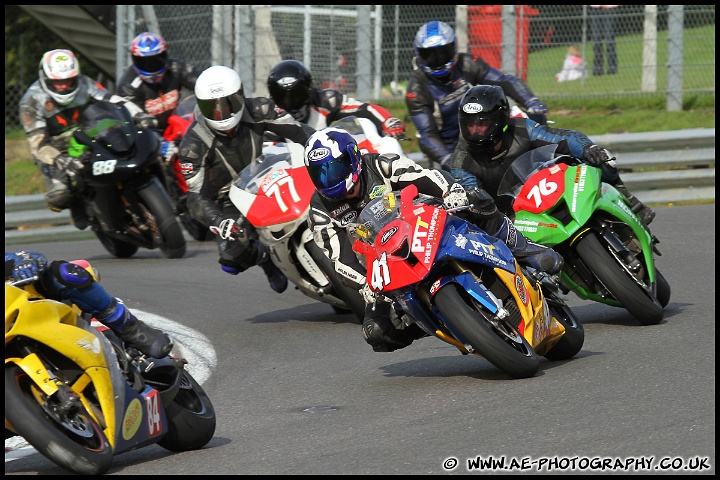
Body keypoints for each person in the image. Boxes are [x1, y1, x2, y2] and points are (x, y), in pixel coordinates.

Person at [303, 126, 563, 353]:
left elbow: (421, 175)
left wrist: (450, 192)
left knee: (476, 202)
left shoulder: (380, 165)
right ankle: (440, 322)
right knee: (376, 332)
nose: (329, 180)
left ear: (353, 158)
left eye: (335, 169)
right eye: (320, 174)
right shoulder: (319, 210)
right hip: (385, 262)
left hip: (424, 222)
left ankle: (525, 249)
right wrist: (366, 285)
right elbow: (339, 258)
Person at [178, 65, 314, 293]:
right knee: (231, 260)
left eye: (228, 103)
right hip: (232, 197)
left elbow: (299, 131)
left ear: (241, 95)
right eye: (213, 107)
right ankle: (265, 258)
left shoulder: (261, 108)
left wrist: (323, 145)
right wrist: (220, 221)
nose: (222, 112)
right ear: (200, 105)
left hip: (273, 172)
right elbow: (195, 197)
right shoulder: (192, 146)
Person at [447, 84, 656, 225]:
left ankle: (631, 203)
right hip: (514, 217)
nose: (475, 131)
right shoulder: (461, 162)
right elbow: (473, 197)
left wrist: (588, 149)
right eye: (470, 124)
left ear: (499, 120)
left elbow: (563, 138)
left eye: (482, 124)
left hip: (547, 187)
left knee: (601, 159)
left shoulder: (521, 128)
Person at [18, 49, 152, 230]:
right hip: (56, 149)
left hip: (90, 133)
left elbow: (113, 100)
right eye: (58, 82)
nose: (64, 86)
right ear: (46, 79)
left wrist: (138, 114)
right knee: (59, 196)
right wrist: (60, 159)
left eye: (68, 80)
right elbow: (38, 144)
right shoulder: (31, 102)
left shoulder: (85, 83)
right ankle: (78, 203)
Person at [405, 20, 550, 175]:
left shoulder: (467, 63)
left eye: (442, 52)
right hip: (453, 150)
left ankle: (547, 165)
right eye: (429, 55)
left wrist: (531, 101)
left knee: (531, 118)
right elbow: (427, 134)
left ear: (453, 47)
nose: (437, 59)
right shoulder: (416, 90)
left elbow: (503, 80)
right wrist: (450, 160)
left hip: (486, 134)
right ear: (419, 55)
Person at [5, 250, 172, 358]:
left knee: (63, 273)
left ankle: (132, 329)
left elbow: (22, 257)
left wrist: (25, 261)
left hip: (27, 315)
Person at [266, 59, 406, 139]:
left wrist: (388, 121)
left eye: (297, 94)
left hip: (328, 169)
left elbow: (365, 109)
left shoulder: (326, 100)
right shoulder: (266, 116)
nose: (291, 102)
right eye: (283, 97)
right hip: (288, 178)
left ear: (308, 89)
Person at [116, 32, 201, 161]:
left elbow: (201, 83)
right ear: (135, 60)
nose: (151, 66)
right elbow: (132, 123)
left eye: (157, 60)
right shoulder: (128, 86)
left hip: (178, 128)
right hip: (150, 136)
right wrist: (159, 143)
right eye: (144, 62)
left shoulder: (175, 68)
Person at [589, 6, 619, 76]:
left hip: (610, 8)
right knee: (596, 40)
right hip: (595, 9)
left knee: (609, 38)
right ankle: (598, 68)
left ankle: (612, 67)